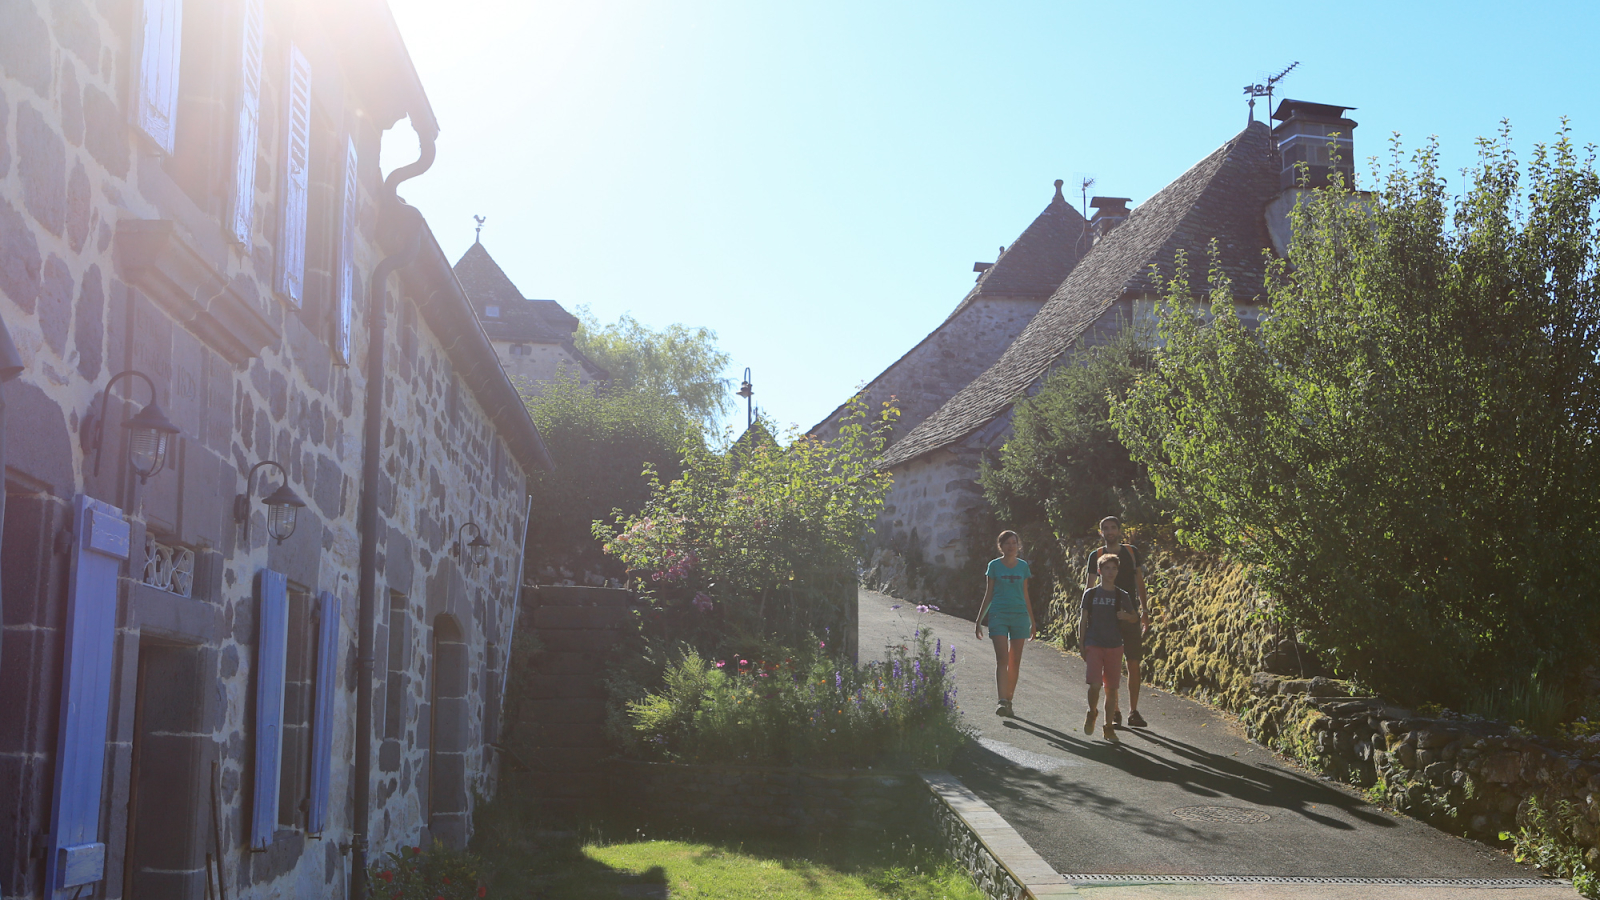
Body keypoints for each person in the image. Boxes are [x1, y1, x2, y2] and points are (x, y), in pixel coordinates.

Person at [1083, 516, 1151, 728]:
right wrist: (1087, 617)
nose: (1109, 531)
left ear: (1120, 530)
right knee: (1109, 664)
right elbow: (1090, 586)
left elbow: (1139, 581)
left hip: (1129, 615)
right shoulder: (1097, 556)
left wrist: (1144, 610)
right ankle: (1115, 711)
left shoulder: (1131, 552)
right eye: (1105, 528)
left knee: (1133, 662)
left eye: (1113, 528)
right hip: (1104, 617)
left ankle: (1133, 711)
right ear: (1100, 532)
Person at [973, 530, 1035, 718]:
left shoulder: (1023, 567)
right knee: (1002, 659)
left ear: (1018, 545)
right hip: (998, 615)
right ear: (1000, 546)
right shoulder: (993, 566)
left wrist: (1032, 621)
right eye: (1007, 543)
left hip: (1019, 616)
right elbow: (989, 593)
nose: (1011, 546)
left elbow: (1025, 594)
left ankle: (1009, 700)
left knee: (1015, 661)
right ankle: (1001, 701)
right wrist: (979, 620)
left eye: (1014, 543)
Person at [1081, 552, 1137, 742]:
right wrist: (1081, 643)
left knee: (1111, 689)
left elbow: (1134, 616)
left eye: (1114, 568)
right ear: (1099, 571)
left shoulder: (1122, 595)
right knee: (1095, 685)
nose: (1110, 572)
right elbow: (1083, 620)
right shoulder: (1091, 594)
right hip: (1094, 643)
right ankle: (1091, 711)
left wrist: (1126, 617)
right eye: (1107, 568)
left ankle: (1108, 727)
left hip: (1115, 645)